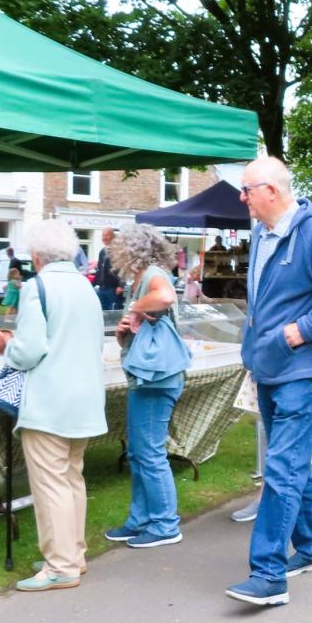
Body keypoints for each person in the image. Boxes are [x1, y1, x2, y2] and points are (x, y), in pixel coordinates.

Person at [225, 157, 312, 607]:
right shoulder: (263, 233)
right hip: (270, 366)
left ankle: (268, 574)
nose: (242, 198)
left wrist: (302, 330)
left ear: (272, 190)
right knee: (290, 464)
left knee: (281, 466)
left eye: (247, 189)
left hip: (303, 369)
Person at [0, 220, 106, 591]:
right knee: (72, 478)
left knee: (51, 484)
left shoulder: (37, 286)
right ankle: (74, 554)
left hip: (51, 399)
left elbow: (30, 350)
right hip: (85, 397)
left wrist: (7, 343)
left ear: (36, 256)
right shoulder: (84, 286)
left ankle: (61, 566)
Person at [104, 224, 187, 549]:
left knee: (149, 453)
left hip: (156, 379)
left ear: (131, 249)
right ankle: (139, 520)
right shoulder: (141, 280)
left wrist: (136, 309)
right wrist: (125, 329)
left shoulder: (154, 274)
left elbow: (165, 297)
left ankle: (166, 525)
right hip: (147, 376)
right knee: (139, 453)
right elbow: (136, 333)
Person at [96, 227, 124, 310]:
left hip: (113, 288)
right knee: (102, 312)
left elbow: (123, 269)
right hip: (102, 288)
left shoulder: (118, 251)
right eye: (103, 235)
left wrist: (121, 285)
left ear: (113, 236)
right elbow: (99, 268)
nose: (104, 237)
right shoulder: (102, 251)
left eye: (107, 235)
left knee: (113, 312)